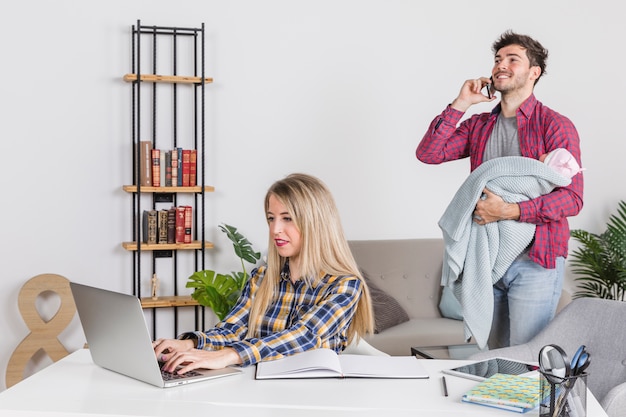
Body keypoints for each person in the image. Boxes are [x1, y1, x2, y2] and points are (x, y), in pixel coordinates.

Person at [416, 30, 583, 349]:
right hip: (485, 259)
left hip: (534, 259)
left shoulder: (554, 125)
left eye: (512, 59)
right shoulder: (479, 126)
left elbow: (572, 197)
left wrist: (510, 211)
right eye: (497, 59)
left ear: (534, 72)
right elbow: (429, 153)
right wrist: (461, 103)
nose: (500, 65)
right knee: (488, 358)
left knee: (526, 359)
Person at [154, 173, 374, 374]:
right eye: (271, 218)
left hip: (313, 392)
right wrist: (188, 344)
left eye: (287, 218)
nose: (275, 229)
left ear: (315, 223)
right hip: (256, 388)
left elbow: (304, 336)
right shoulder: (261, 277)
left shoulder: (344, 286)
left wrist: (229, 355)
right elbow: (233, 329)